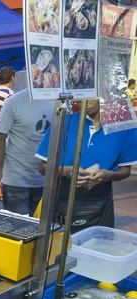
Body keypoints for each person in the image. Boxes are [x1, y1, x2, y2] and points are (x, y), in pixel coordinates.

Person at [36, 99, 137, 232]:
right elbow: (43, 167)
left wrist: (107, 174)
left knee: (97, 245)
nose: (85, 103)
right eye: (80, 98)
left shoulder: (122, 126)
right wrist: (66, 171)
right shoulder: (64, 122)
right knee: (61, 248)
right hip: (63, 197)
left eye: (91, 97)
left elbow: (125, 170)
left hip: (101, 198)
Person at [0, 89, 54, 216]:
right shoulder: (13, 101)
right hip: (15, 180)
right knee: (18, 229)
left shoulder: (57, 102)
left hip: (43, 180)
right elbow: (0, 136)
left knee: (37, 229)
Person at [0, 66, 16, 201]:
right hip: (6, 135)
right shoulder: (9, 94)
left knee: (1, 164)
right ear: (12, 77)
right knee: (6, 165)